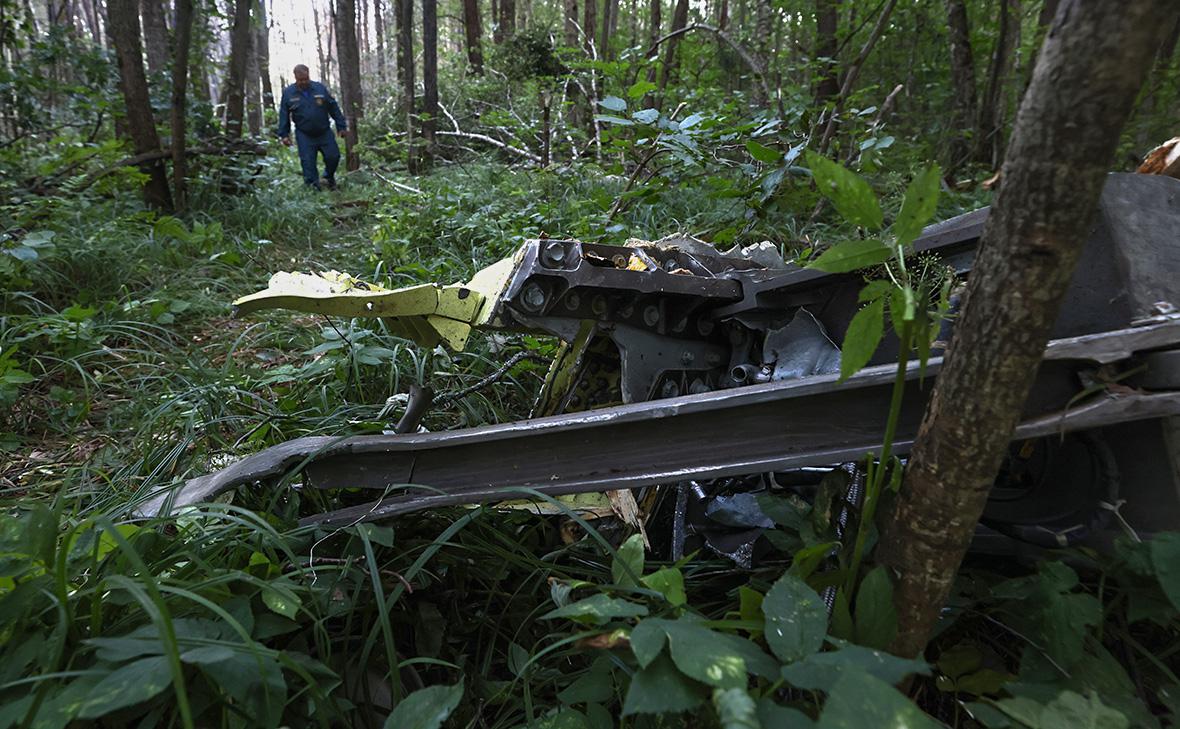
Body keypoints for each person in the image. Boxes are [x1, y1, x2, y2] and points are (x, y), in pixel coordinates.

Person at [276, 64, 347, 190]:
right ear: (295, 78)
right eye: (300, 80)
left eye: (305, 79)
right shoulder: (289, 93)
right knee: (308, 162)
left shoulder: (319, 88)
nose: (303, 82)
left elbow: (333, 107)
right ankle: (313, 189)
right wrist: (284, 134)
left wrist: (341, 126)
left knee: (333, 156)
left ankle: (328, 177)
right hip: (304, 134)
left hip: (324, 131)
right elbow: (284, 114)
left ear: (309, 75)